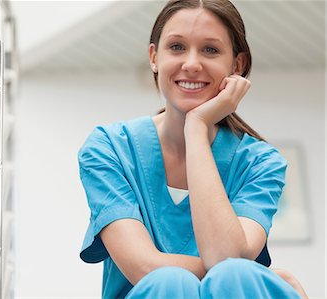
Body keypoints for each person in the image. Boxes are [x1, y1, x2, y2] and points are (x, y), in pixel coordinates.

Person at [78, 0, 308, 298]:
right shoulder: (109, 149)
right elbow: (145, 268)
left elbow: (228, 262)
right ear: (153, 57)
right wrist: (262, 276)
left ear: (236, 65)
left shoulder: (261, 163)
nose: (191, 63)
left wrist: (197, 127)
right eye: (176, 47)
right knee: (170, 282)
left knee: (234, 274)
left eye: (210, 50)